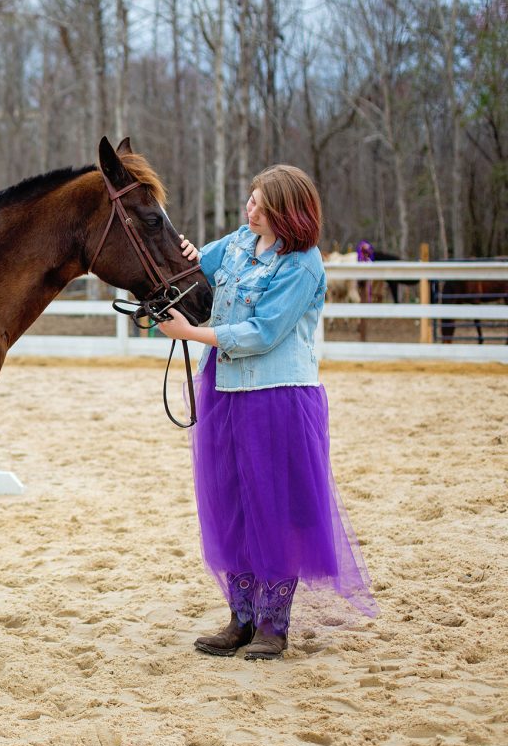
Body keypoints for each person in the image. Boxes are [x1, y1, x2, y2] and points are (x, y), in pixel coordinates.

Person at [156, 165, 377, 660]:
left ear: (283, 212)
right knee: (230, 500)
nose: (248, 210)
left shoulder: (301, 265)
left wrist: (190, 335)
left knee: (273, 505)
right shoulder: (238, 243)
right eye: (250, 200)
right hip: (225, 389)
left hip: (276, 393)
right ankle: (241, 617)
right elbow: (196, 268)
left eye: (258, 204)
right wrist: (184, 253)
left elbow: (261, 333)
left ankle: (273, 625)